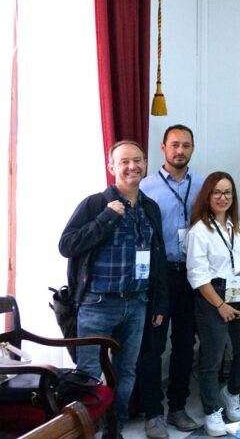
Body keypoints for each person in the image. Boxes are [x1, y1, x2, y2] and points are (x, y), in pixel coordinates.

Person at [58, 140, 168, 432]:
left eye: (137, 160)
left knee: (126, 372)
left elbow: (158, 259)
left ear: (145, 164)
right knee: (89, 374)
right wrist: (107, 218)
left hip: (137, 303)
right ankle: (86, 431)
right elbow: (67, 245)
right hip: (97, 304)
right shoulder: (95, 204)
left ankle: (114, 429)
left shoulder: (150, 208)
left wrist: (159, 302)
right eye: (124, 162)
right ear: (111, 167)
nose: (132, 166)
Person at [136, 125, 204, 437]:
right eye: (174, 145)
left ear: (192, 149)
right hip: (159, 276)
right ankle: (153, 413)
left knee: (185, 344)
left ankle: (177, 407)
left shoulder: (202, 186)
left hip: (192, 274)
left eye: (186, 145)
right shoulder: (145, 187)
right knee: (153, 346)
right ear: (163, 148)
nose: (180, 151)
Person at [185, 172, 240, 437]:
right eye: (216, 192)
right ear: (207, 196)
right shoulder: (199, 230)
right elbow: (197, 275)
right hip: (212, 296)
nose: (222, 197)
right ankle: (212, 410)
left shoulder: (239, 227)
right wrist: (219, 305)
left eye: (227, 192)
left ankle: (231, 393)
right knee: (212, 358)